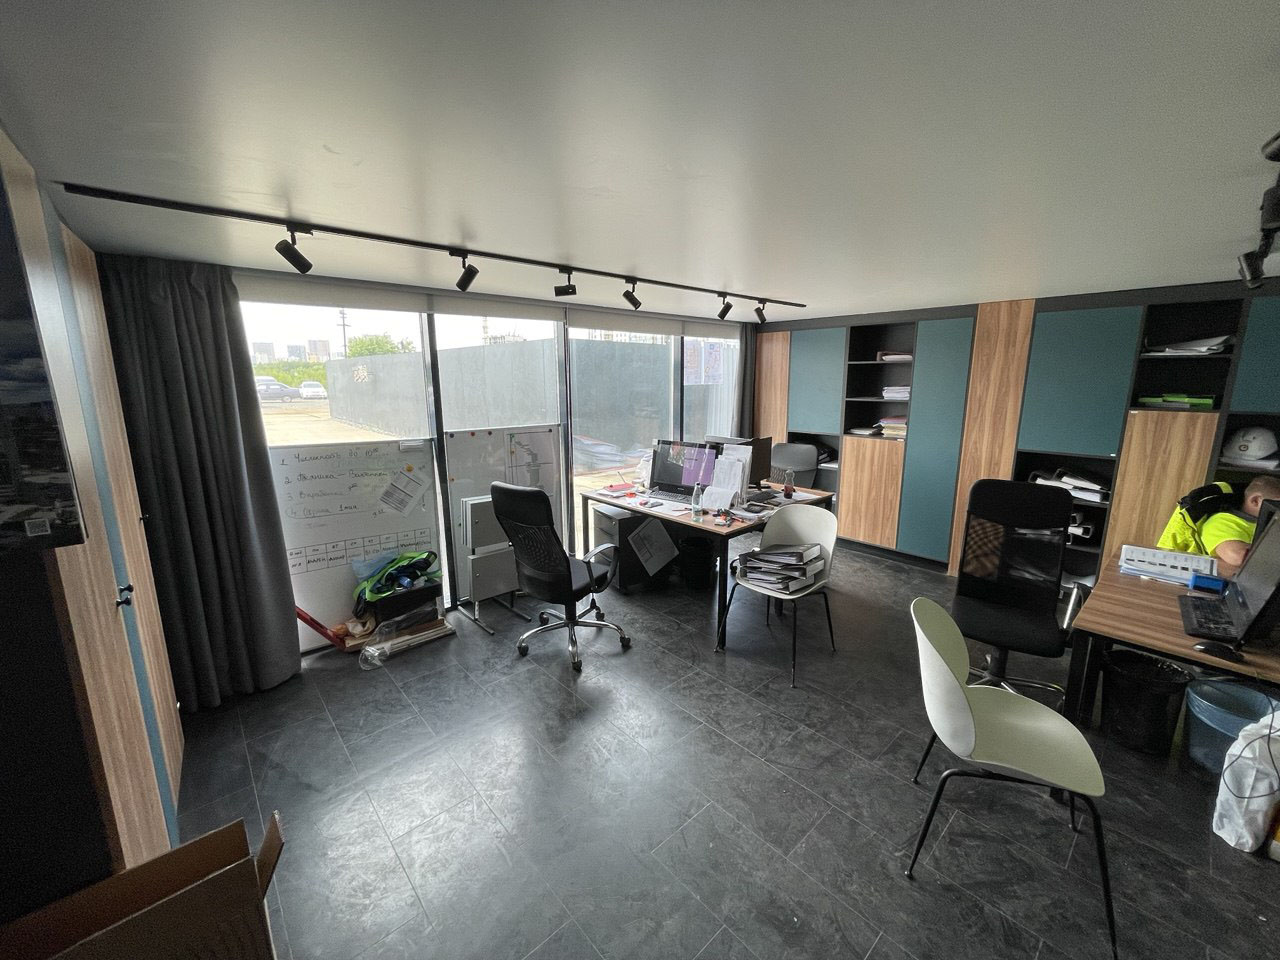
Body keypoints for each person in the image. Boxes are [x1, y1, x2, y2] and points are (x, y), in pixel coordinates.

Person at [1186, 475, 1280, 576]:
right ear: (1255, 501)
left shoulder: (1266, 522)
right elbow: (1238, 556)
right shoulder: (1221, 522)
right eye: (1277, 505)